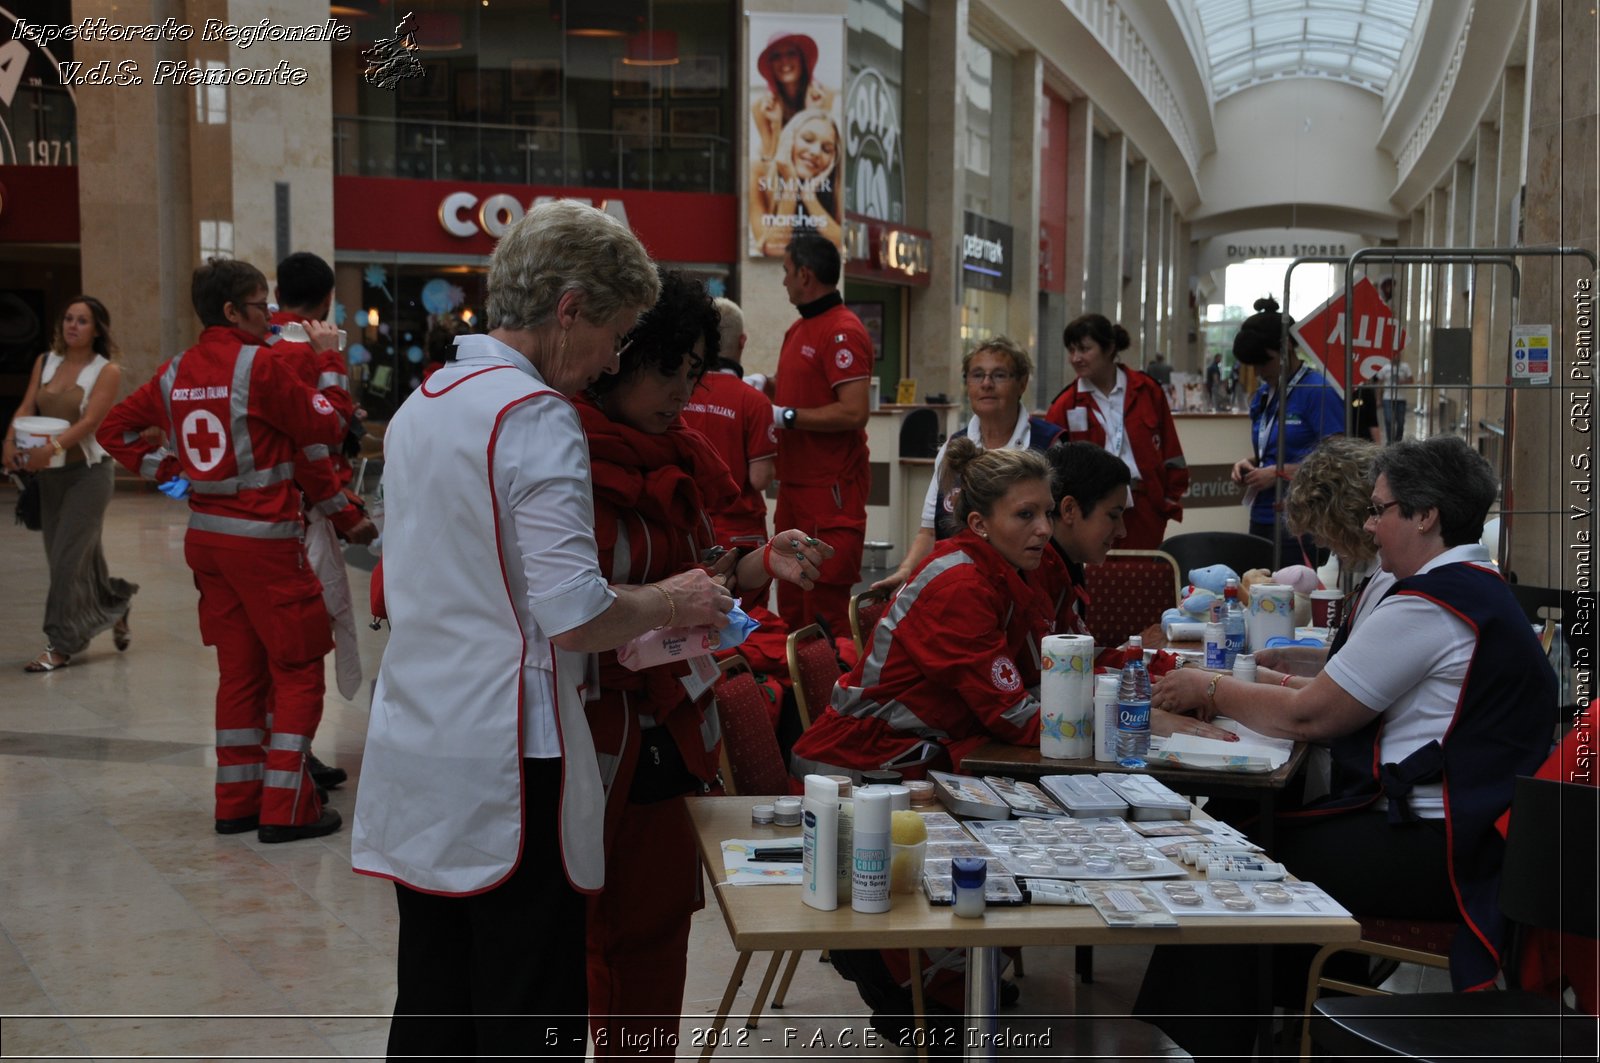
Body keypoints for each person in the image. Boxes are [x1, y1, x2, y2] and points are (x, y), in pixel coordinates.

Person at [347, 202, 729, 1062]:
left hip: (418, 736)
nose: (609, 363)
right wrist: (672, 600)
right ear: (570, 310)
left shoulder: (422, 406)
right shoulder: (535, 417)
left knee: (437, 996)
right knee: (529, 1003)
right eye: (617, 335)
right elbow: (576, 614)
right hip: (512, 754)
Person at [1139, 436, 1558, 1057]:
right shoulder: (1470, 585)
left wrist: (1211, 686)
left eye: (1380, 508)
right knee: (1239, 824)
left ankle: (1215, 1042)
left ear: (1425, 516)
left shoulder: (1432, 604)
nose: (1369, 523)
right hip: (1472, 832)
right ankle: (1282, 1019)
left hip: (1442, 851)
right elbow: (1345, 693)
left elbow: (1313, 717)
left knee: (1234, 855)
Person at [577, 269, 828, 1056]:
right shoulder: (558, 452)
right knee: (593, 938)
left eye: (693, 369)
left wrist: (760, 563)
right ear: (617, 354)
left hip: (669, 725)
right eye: (666, 367)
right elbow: (566, 605)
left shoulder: (676, 449)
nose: (681, 389)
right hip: (588, 728)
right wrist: (665, 602)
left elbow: (706, 571)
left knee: (654, 930)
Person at [98, 259, 374, 845]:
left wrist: (176, 474)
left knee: (240, 672)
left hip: (209, 541)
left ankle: (236, 802)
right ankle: (286, 808)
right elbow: (327, 427)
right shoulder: (262, 366)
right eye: (259, 306)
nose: (270, 316)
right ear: (231, 311)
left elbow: (114, 431)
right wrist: (328, 364)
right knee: (298, 669)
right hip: (267, 544)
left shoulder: (174, 372)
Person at [1041, 440, 1235, 741]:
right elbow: (1042, 685)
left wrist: (1174, 672)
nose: (1122, 531)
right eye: (1113, 515)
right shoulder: (1034, 572)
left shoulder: (1065, 566)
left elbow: (1081, 660)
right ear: (1069, 509)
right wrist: (1137, 711)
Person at [269, 252, 363, 790]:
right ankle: (293, 761)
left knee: (267, 651)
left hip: (252, 517)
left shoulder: (254, 345)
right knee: (303, 647)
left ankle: (286, 757)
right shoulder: (308, 351)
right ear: (326, 299)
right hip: (302, 517)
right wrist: (345, 512)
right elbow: (319, 441)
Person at [3, 296, 136, 672]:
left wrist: (54, 447)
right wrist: (10, 441)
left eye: (82, 320)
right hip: (51, 478)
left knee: (66, 561)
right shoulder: (46, 362)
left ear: (97, 329)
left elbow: (91, 421)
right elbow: (27, 407)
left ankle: (60, 644)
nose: (72, 326)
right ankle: (117, 604)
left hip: (89, 476)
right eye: (68, 319)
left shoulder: (105, 370)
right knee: (76, 559)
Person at [874, 336, 1062, 593]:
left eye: (999, 375)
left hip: (1030, 591)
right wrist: (906, 573)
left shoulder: (1049, 444)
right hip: (958, 588)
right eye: (977, 375)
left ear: (1022, 383)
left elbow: (1062, 534)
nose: (986, 384)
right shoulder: (953, 448)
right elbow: (929, 533)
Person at [771, 232, 872, 634]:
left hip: (829, 492)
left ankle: (830, 694)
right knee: (793, 601)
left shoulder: (842, 330)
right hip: (795, 488)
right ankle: (794, 694)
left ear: (806, 275)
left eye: (787, 271)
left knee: (824, 608)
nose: (783, 281)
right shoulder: (799, 329)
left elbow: (854, 411)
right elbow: (799, 393)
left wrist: (788, 417)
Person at [1044, 314, 1188, 549]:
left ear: (1109, 348)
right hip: (1090, 511)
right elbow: (1052, 466)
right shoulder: (1065, 404)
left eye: (1084, 349)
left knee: (1142, 577)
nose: (1075, 358)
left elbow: (1172, 451)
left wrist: (1167, 501)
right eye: (1071, 350)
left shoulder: (1147, 390)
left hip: (1145, 507)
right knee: (1098, 579)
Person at [1229, 296, 1346, 564]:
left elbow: (1338, 462)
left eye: (1264, 362)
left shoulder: (1317, 391)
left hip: (1302, 522)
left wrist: (1280, 473)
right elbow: (1276, 447)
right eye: (1253, 365)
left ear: (1287, 348)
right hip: (1262, 515)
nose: (1259, 371)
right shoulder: (1263, 394)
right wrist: (1252, 463)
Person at [678, 297, 777, 549]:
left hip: (685, 528)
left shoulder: (677, 393)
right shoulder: (754, 401)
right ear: (742, 341)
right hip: (739, 535)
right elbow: (760, 478)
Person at [748, 108, 842, 254]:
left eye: (826, 149)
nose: (816, 152)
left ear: (833, 159)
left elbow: (843, 245)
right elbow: (774, 249)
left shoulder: (835, 185)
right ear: (788, 140)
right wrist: (790, 182)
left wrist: (809, 196)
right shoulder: (759, 172)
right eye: (808, 139)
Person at [751, 31, 834, 165]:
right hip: (778, 179)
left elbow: (819, 152)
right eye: (776, 56)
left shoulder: (824, 95)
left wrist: (813, 113)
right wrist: (776, 125)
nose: (784, 61)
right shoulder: (761, 106)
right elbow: (767, 162)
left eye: (791, 54)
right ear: (770, 65)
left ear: (802, 59)